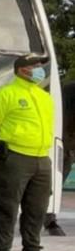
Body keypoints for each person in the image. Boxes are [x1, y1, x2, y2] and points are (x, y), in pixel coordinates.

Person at [0, 55, 61, 251]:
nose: (39, 69)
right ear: (21, 70)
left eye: (40, 65)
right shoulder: (6, 94)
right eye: (34, 65)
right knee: (7, 208)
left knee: (37, 210)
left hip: (42, 158)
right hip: (14, 157)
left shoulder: (44, 97)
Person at [43, 79, 74, 236]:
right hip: (63, 144)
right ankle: (48, 219)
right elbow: (64, 118)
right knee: (53, 183)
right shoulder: (69, 90)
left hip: (68, 144)